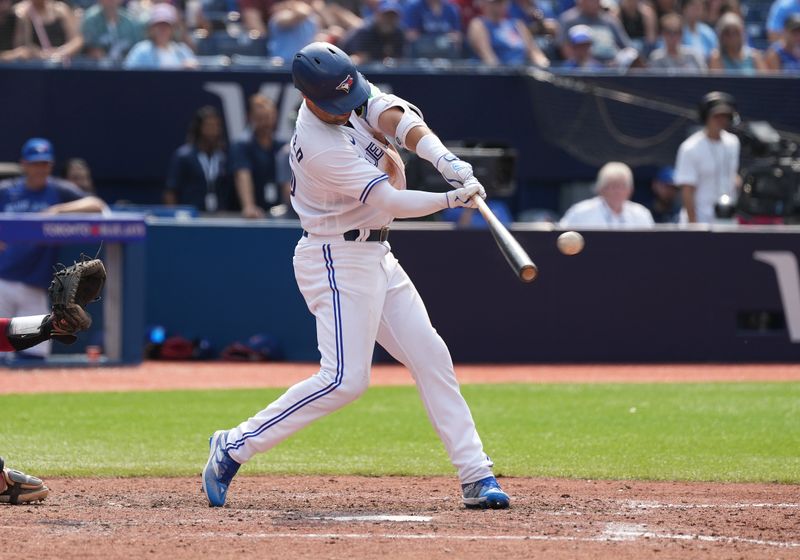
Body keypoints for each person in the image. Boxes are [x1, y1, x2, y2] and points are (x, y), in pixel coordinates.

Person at [202, 42, 511, 511]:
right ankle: (233, 445)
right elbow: (388, 201)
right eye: (339, 103)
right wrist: (450, 200)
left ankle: (475, 474)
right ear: (311, 99)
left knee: (431, 355)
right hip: (334, 256)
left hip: (376, 254)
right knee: (346, 379)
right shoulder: (316, 145)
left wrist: (444, 160)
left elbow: (399, 120)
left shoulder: (349, 92)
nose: (351, 107)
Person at [0, 138, 108, 359]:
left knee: (34, 356)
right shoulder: (7, 190)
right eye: (35, 163)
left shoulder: (59, 190)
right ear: (24, 164)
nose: (40, 169)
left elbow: (98, 206)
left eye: (44, 163)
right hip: (3, 279)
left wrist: (58, 210)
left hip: (35, 284)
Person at [674, 91, 741, 224]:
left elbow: (732, 175)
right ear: (706, 117)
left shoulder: (733, 142)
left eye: (726, 116)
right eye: (717, 116)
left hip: (727, 218)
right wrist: (693, 224)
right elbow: (687, 190)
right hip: (700, 219)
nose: (722, 120)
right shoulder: (690, 148)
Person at [230, 95, 289, 219]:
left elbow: (287, 180)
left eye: (269, 117)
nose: (266, 123)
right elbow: (243, 175)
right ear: (250, 117)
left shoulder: (283, 145)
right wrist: (249, 206)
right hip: (253, 215)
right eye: (261, 118)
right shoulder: (242, 145)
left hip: (278, 212)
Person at [165, 106, 232, 213]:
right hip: (191, 217)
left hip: (218, 217)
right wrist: (174, 217)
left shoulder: (223, 157)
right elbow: (171, 191)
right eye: (209, 126)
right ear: (199, 128)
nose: (213, 131)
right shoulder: (183, 156)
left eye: (216, 126)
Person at [559, 162, 655, 227]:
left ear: (630, 190)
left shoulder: (641, 214)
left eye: (622, 186)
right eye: (612, 186)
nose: (617, 191)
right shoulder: (580, 212)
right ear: (601, 189)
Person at [467, 0, 549, 66]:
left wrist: (545, 68)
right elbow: (489, 58)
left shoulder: (517, 25)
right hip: (496, 78)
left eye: (501, 2)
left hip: (521, 76)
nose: (498, 6)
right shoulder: (479, 25)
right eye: (495, 3)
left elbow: (535, 53)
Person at [557, 0, 636, 64]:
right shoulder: (569, 20)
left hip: (613, 65)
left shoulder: (610, 21)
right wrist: (578, 64)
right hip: (584, 65)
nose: (594, 3)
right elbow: (564, 45)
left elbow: (626, 46)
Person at [123, 3, 197, 69]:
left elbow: (195, 71)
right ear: (151, 29)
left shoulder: (182, 51)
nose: (162, 30)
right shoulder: (141, 50)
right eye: (159, 26)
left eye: (166, 26)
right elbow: (128, 74)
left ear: (172, 29)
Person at [14, 0, 84, 61]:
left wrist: (61, 53)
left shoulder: (61, 10)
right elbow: (24, 44)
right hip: (36, 66)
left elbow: (77, 40)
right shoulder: (22, 13)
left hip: (63, 65)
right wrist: (41, 55)